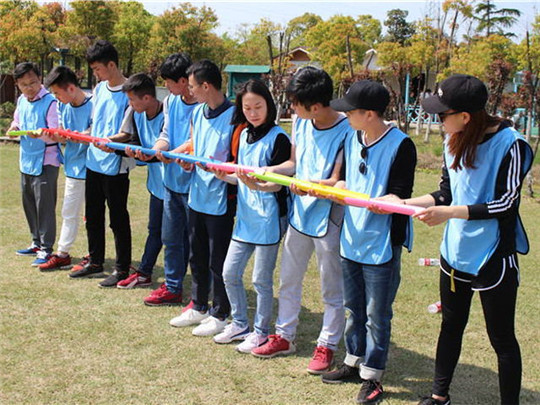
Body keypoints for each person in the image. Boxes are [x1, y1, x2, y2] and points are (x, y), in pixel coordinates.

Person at [394, 75, 532, 405]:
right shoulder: (452, 139)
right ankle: (439, 396)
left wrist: (450, 213)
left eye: (442, 114)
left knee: (501, 339)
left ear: (465, 117)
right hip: (454, 254)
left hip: (493, 257)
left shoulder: (511, 145)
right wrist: (401, 204)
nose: (436, 120)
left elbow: (504, 204)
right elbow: (446, 194)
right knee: (451, 325)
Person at [320, 80, 417, 404]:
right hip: (351, 237)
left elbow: (400, 195)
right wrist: (331, 187)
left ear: (371, 114)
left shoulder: (402, 145)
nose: (345, 114)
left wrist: (383, 200)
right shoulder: (351, 136)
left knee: (377, 313)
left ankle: (372, 376)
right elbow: (346, 178)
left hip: (381, 242)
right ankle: (352, 360)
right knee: (353, 308)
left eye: (351, 111)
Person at [251, 66, 349, 376]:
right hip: (299, 213)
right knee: (289, 279)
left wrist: (311, 185)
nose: (291, 108)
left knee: (331, 287)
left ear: (317, 106)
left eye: (296, 103)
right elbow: (294, 163)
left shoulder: (348, 129)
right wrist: (264, 175)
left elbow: (337, 179)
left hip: (329, 218)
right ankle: (284, 336)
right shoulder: (301, 122)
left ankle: (328, 344)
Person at [210, 79, 291, 353]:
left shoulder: (279, 137)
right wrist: (226, 176)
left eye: (258, 106)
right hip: (245, 219)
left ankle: (261, 332)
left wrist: (259, 185)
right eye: (247, 108)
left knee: (260, 280)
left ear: (269, 105)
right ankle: (240, 323)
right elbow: (241, 179)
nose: (253, 112)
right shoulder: (243, 135)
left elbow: (280, 183)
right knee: (229, 272)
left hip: (269, 219)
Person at [168, 59, 236, 337]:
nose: (190, 91)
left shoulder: (234, 115)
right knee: (196, 253)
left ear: (207, 86)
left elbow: (235, 156)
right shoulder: (198, 112)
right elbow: (195, 143)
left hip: (222, 198)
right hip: (197, 194)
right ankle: (199, 305)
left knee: (217, 258)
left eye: (194, 86)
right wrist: (185, 157)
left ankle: (221, 312)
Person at [127, 53, 198, 306]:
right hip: (170, 183)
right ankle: (172, 287)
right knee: (170, 239)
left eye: (169, 82)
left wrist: (176, 152)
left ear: (183, 80)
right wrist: (159, 147)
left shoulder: (202, 105)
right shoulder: (171, 102)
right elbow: (166, 132)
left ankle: (200, 296)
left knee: (194, 243)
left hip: (196, 187)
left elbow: (198, 140)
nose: (165, 87)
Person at [69, 40, 134, 288]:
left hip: (116, 165)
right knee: (93, 214)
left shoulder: (130, 92)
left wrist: (110, 141)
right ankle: (95, 261)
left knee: (118, 218)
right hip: (93, 161)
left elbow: (126, 132)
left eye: (98, 68)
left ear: (112, 64)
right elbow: (95, 124)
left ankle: (121, 268)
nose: (95, 73)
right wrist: (82, 134)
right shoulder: (99, 89)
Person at [96, 73, 165, 291]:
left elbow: (167, 149)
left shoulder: (168, 114)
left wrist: (145, 154)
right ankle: (144, 273)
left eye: (132, 100)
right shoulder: (136, 115)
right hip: (157, 186)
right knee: (155, 230)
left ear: (146, 98)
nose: (129, 104)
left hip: (179, 187)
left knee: (178, 238)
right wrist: (117, 147)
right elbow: (134, 142)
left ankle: (173, 282)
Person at [38, 66, 93, 271]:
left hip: (93, 169)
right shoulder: (64, 106)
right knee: (69, 211)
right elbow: (62, 134)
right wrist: (53, 134)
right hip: (72, 167)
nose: (56, 98)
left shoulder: (94, 103)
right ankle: (63, 253)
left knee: (92, 215)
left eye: (57, 93)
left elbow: (96, 131)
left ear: (70, 88)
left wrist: (77, 135)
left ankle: (90, 253)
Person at [8, 62, 60, 267]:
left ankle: (47, 248)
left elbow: (56, 132)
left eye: (33, 82)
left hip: (46, 161)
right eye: (24, 84)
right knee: (29, 202)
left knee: (44, 206)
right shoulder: (22, 100)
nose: (29, 88)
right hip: (26, 160)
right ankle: (36, 242)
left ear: (41, 79)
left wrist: (41, 133)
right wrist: (14, 128)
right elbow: (17, 121)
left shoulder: (51, 102)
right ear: (18, 85)